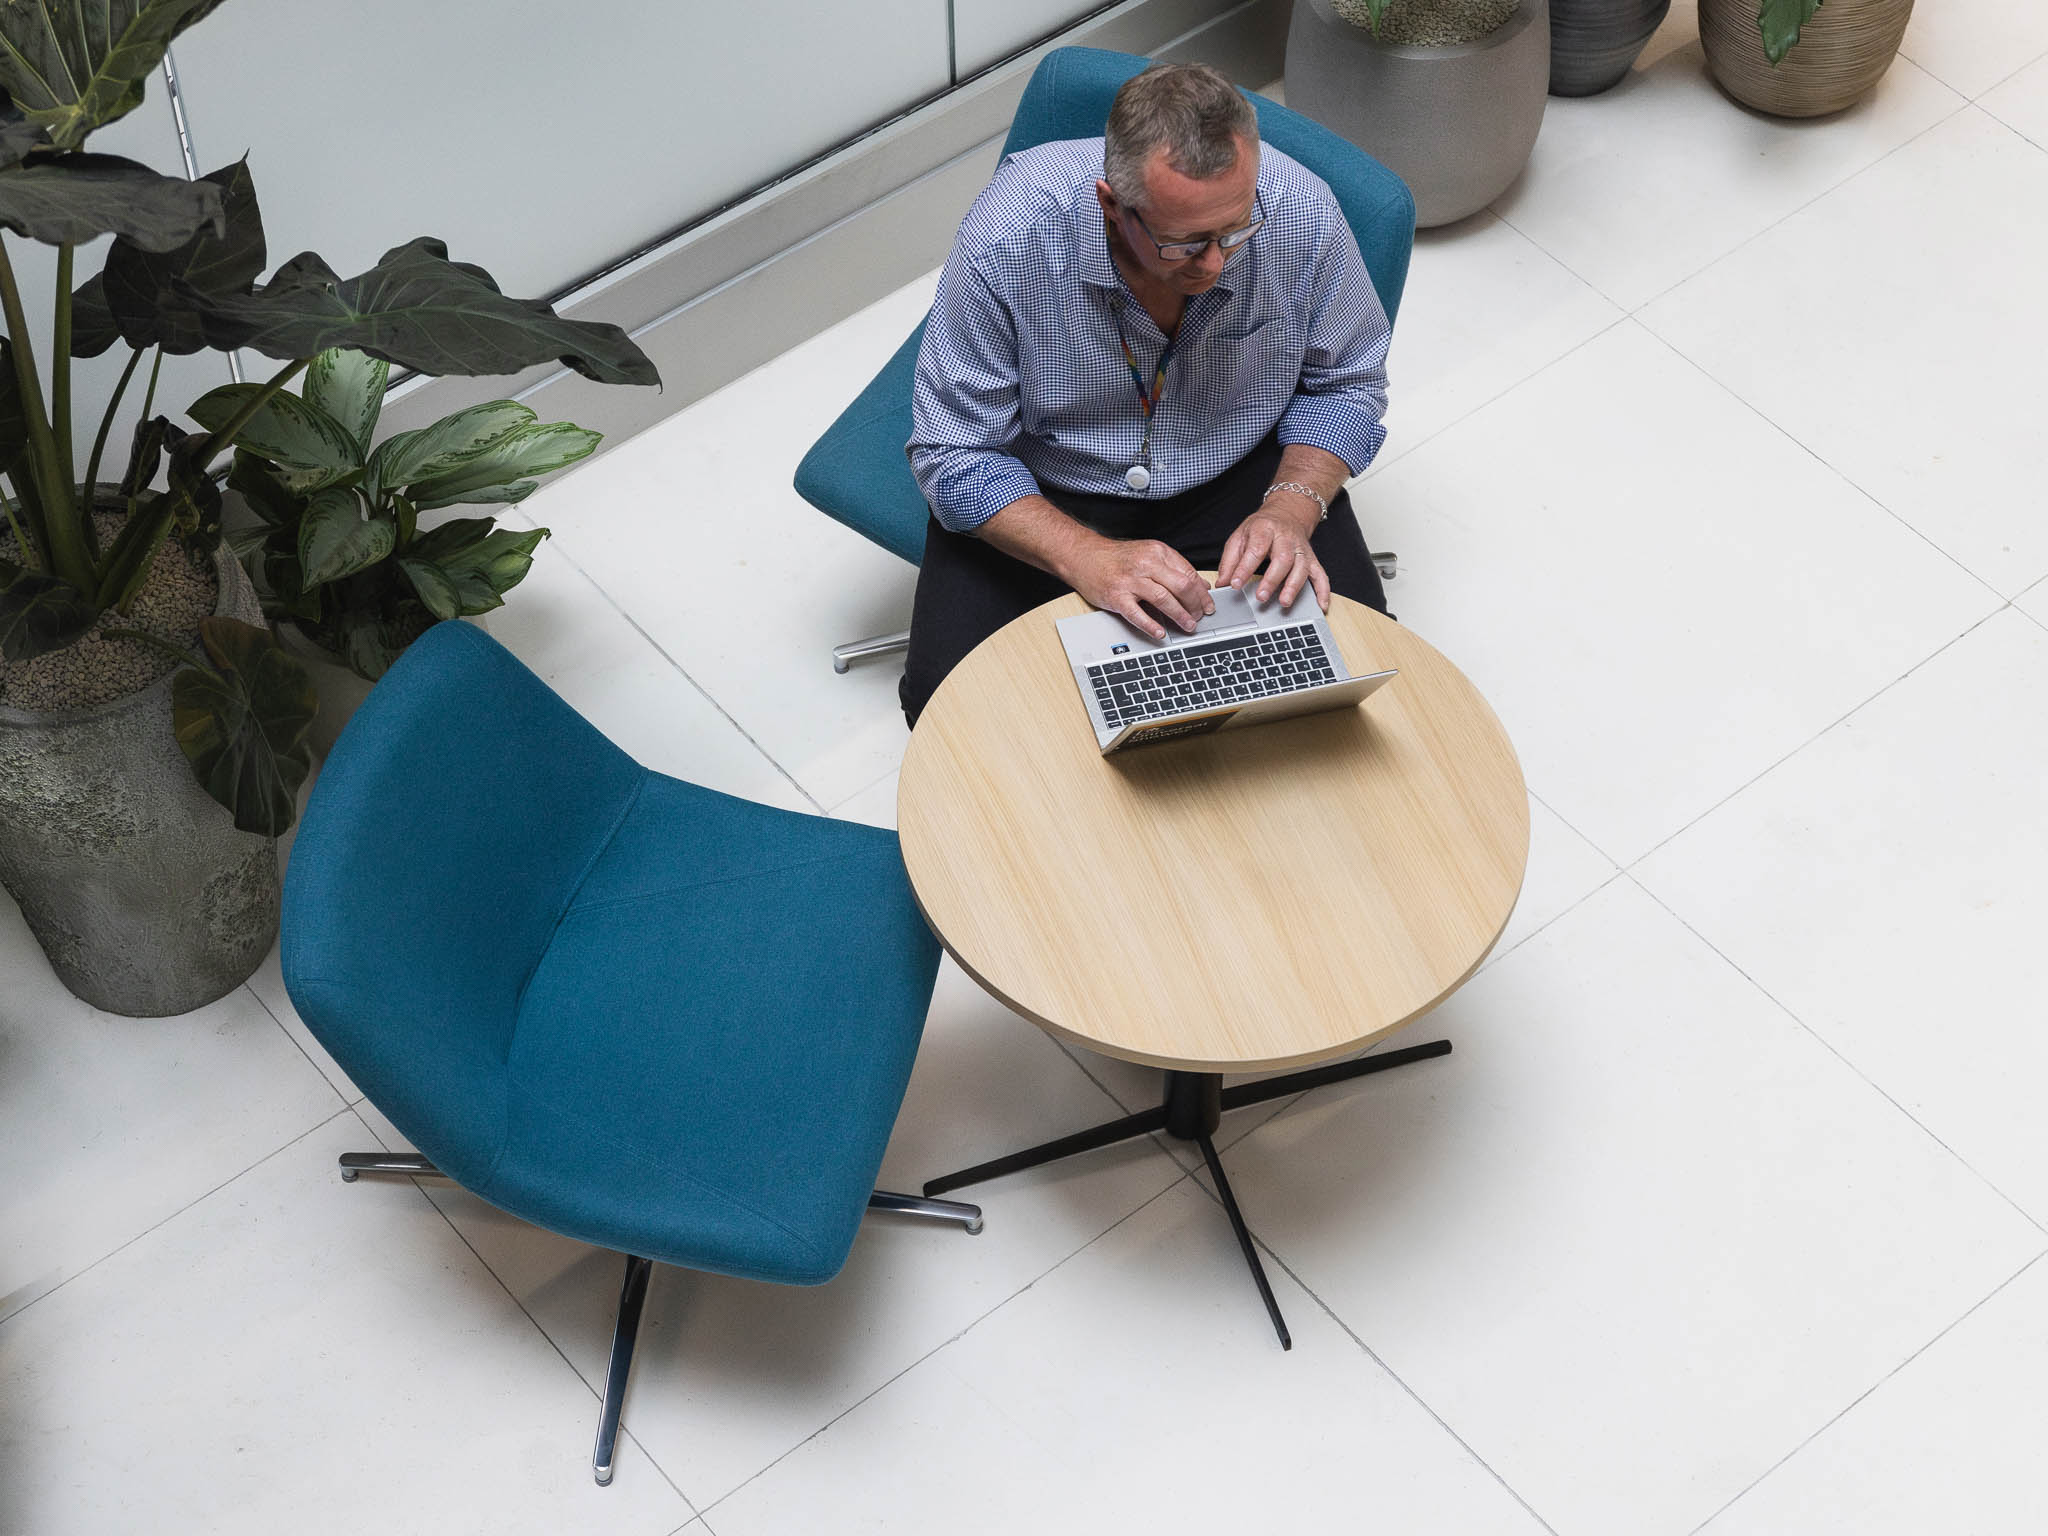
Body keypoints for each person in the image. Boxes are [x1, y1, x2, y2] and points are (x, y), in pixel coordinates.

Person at [900, 60, 1395, 729]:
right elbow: (954, 452)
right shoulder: (1007, 240)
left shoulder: (1299, 213)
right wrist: (1086, 555)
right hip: (1049, 480)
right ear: (1112, 205)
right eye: (1185, 244)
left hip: (1236, 469)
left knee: (1346, 676)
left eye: (1234, 231)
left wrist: (1292, 507)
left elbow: (1346, 383)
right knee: (951, 710)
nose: (1218, 263)